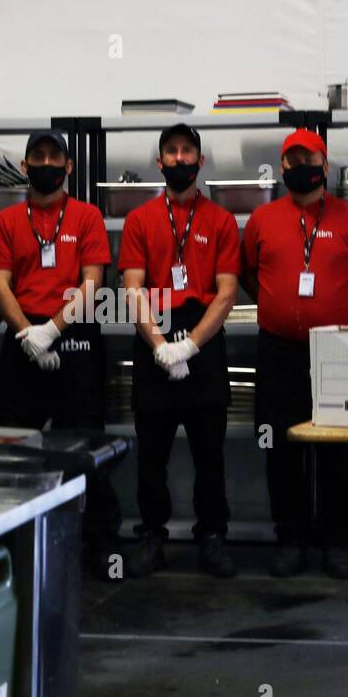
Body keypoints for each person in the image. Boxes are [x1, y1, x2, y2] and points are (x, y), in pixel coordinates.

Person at [241, 129, 348, 578]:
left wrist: (339, 309)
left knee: (336, 448)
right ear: (282, 168)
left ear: (325, 163)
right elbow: (247, 272)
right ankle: (291, 539)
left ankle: (337, 540)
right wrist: (278, 305)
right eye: (293, 159)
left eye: (310, 158)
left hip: (336, 350)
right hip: (277, 352)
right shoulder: (262, 219)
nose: (302, 166)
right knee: (281, 447)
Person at [0, 129, 122, 577]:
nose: (46, 164)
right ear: (25, 167)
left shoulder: (86, 217)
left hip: (76, 339)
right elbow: (0, 284)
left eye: (54, 157)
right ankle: (17, 541)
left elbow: (92, 283)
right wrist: (28, 333)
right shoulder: (8, 220)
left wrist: (53, 329)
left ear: (69, 166)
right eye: (37, 157)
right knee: (17, 450)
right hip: (23, 343)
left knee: (86, 447)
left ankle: (99, 542)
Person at [119, 123, 239, 578]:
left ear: (200, 161)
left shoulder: (222, 221)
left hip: (204, 344)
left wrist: (189, 345)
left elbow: (226, 293)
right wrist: (161, 346)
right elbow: (132, 290)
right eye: (171, 151)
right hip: (154, 344)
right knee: (151, 455)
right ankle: (151, 536)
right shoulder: (139, 220)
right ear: (160, 162)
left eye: (189, 151)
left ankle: (212, 536)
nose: (180, 158)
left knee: (211, 454)